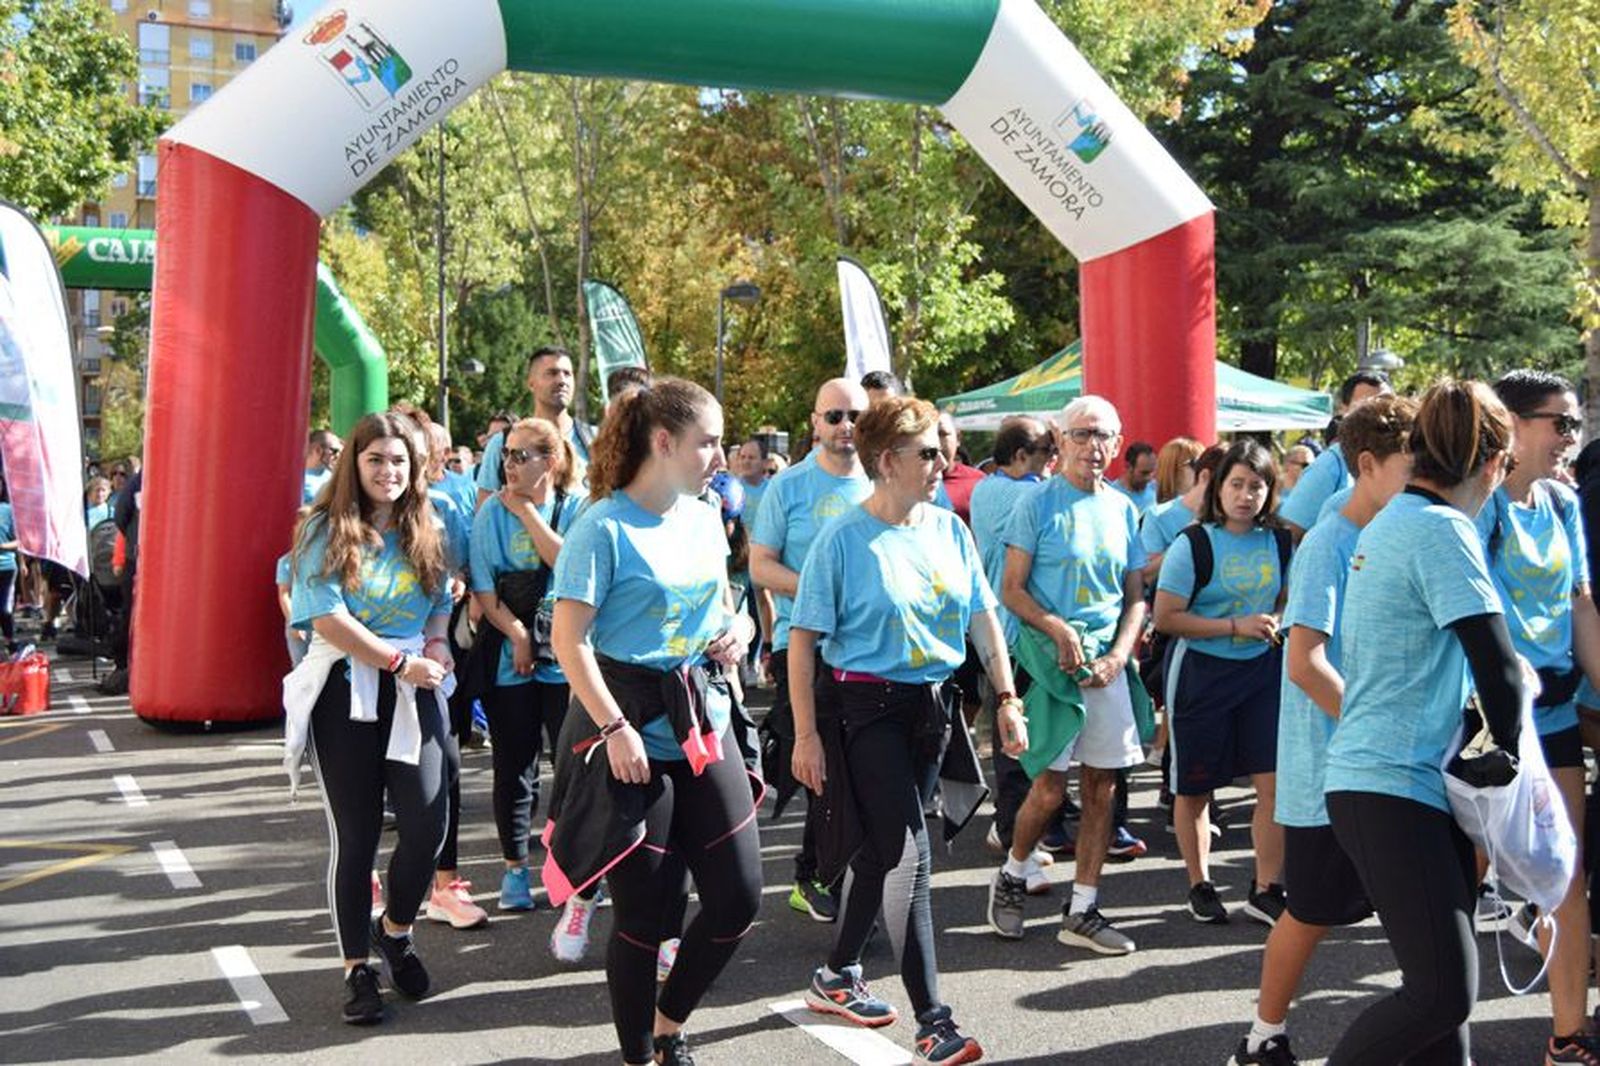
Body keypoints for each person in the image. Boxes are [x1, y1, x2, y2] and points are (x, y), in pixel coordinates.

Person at [788, 395, 1022, 1066]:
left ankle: (835, 976)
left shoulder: (949, 529)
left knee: (879, 849)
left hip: (932, 709)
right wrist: (806, 737)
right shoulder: (842, 538)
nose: (942, 462)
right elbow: (802, 644)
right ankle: (934, 1022)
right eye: (929, 453)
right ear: (887, 461)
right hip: (864, 710)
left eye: (941, 450)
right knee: (910, 855)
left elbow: (983, 618)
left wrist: (1005, 698)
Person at [548, 376, 761, 1066]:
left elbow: (726, 605)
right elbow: (569, 641)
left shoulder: (703, 516)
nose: (720, 457)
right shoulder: (601, 527)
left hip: (703, 718)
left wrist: (740, 629)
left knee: (738, 899)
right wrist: (614, 729)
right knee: (645, 915)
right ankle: (642, 1053)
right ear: (663, 442)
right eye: (709, 442)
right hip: (627, 727)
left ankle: (670, 1022)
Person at [1322, 379, 1523, 1065]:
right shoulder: (1441, 530)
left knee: (1442, 1009)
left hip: (1386, 779)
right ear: (1492, 464)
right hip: (1391, 783)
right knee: (1443, 994)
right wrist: (1512, 761)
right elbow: (1499, 668)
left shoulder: (1394, 522)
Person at [1226, 395, 1417, 1066]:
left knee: (1419, 912)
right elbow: (1306, 664)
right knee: (1310, 910)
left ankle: (1431, 1028)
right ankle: (1261, 1036)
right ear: (1368, 465)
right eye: (1410, 465)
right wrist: (1377, 729)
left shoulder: (1402, 533)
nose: (1423, 481)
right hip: (1332, 770)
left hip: (1388, 768)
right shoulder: (1330, 544)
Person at [282, 411, 455, 1026]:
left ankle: (396, 930)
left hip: (414, 686)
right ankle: (358, 968)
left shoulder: (428, 525)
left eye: (400, 461)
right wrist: (398, 660)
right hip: (345, 692)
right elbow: (325, 618)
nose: (389, 472)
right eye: (376, 460)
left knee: (428, 823)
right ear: (353, 464)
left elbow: (439, 602)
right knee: (355, 839)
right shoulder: (324, 529)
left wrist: (435, 644)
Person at [987, 396, 1151, 955]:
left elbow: (1135, 599)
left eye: (1104, 435)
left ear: (1119, 440)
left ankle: (1083, 908)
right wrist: (1058, 630)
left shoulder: (1125, 509)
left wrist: (1119, 655)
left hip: (1105, 664)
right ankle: (1011, 874)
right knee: (1050, 787)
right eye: (1082, 435)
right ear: (1059, 438)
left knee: (1104, 787)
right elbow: (1011, 589)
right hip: (1049, 661)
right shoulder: (1036, 505)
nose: (1093, 447)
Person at [1478, 371, 1600, 1064]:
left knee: (1566, 876)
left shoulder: (1561, 502)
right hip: (1485, 724)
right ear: (1514, 426)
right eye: (1560, 423)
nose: (1570, 438)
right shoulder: (1480, 506)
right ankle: (1438, 1024)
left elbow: (1581, 607)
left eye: (1575, 424)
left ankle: (1566, 1038)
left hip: (1552, 716)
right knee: (1469, 881)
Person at [750, 378, 874, 922]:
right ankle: (814, 874)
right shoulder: (790, 487)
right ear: (814, 422)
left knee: (859, 768)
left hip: (870, 645)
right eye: (835, 416)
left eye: (856, 416)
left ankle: (832, 871)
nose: (846, 426)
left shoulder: (882, 480)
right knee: (821, 763)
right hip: (805, 645)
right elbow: (760, 565)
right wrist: (822, 593)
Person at [1154, 440, 1290, 925]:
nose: (1246, 495)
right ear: (1217, 486)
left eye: (1257, 485)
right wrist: (1234, 626)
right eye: (1237, 484)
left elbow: (1286, 598)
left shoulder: (1279, 541)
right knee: (1196, 788)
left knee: (1273, 783)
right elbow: (1166, 617)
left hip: (1262, 672)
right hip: (1202, 674)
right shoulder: (1193, 543)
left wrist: (1275, 617)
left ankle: (1265, 887)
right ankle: (1200, 883)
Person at [468, 419, 584, 929]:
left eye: (521, 456)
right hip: (508, 656)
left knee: (572, 766)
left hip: (568, 659)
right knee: (514, 766)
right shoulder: (490, 513)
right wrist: (518, 636)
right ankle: (515, 869)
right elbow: (485, 591)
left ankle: (569, 865)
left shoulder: (577, 507)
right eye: (506, 455)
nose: (508, 465)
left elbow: (572, 566)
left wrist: (529, 513)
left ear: (550, 461)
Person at [969, 417, 1057, 868]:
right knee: (1017, 737)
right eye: (1047, 454)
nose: (1053, 465)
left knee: (1025, 734)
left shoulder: (989, 487)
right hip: (1013, 632)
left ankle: (1017, 826)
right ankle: (1011, 833)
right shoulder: (1018, 493)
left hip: (1009, 629)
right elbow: (1060, 499)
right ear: (1021, 457)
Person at [1280, 371, 1391, 539]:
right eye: (1367, 405)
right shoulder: (1330, 464)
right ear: (1344, 410)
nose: (1380, 414)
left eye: (1386, 403)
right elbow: (1290, 531)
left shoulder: (1396, 462)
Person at [478, 348, 592, 504]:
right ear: (531, 383)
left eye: (567, 374)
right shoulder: (503, 443)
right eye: (552, 373)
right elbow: (484, 513)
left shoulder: (596, 440)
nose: (561, 381)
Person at [934, 412, 985, 522]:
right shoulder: (906, 482)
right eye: (930, 434)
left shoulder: (979, 482)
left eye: (942, 434)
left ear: (958, 438)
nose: (936, 441)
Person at [1111, 441, 1158, 518]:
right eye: (1144, 473)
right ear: (1128, 466)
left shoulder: (1156, 488)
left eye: (1152, 472)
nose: (1149, 478)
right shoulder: (1113, 497)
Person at [1154, 437, 1204, 505]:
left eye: (1205, 462)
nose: (1204, 470)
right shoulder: (1157, 514)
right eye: (1196, 464)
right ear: (1173, 470)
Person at [303, 428, 343, 505]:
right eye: (335, 451)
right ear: (318, 450)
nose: (338, 456)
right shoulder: (296, 480)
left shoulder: (336, 477)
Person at [0, 477, 16, 653]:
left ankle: (10, 640)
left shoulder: (8, 511)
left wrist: (3, 546)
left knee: (4, 608)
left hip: (6, 567)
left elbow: (21, 541)